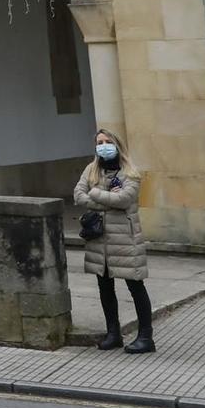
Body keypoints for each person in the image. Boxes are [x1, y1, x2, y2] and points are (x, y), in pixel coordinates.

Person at [76, 128, 154, 353]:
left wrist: (95, 194)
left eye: (107, 141)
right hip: (99, 240)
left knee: (135, 286)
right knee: (104, 286)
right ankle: (113, 334)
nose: (103, 146)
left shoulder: (130, 172)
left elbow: (124, 200)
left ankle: (146, 337)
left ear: (117, 144)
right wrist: (105, 198)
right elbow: (78, 194)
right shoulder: (91, 169)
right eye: (99, 142)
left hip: (125, 238)